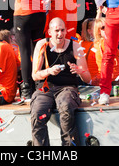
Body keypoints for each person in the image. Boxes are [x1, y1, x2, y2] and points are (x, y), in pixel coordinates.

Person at [30, 17, 91, 146]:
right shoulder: (42, 45)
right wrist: (49, 71)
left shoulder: (75, 45)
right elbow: (35, 76)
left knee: (66, 108)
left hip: (67, 87)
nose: (60, 34)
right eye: (57, 30)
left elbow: (88, 78)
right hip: (45, 88)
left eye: (62, 30)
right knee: (37, 113)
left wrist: (80, 70)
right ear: (50, 32)